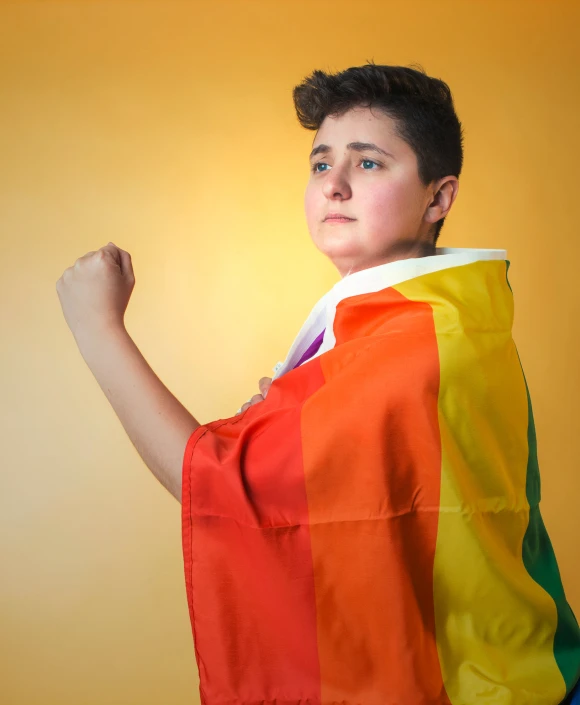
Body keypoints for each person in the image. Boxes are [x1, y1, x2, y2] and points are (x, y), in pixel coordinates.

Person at [56, 62, 580, 704]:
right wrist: (290, 423)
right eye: (319, 163)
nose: (332, 186)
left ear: (438, 198)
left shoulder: (415, 342)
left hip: (483, 686)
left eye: (367, 164)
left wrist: (99, 329)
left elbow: (221, 483)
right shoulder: (440, 314)